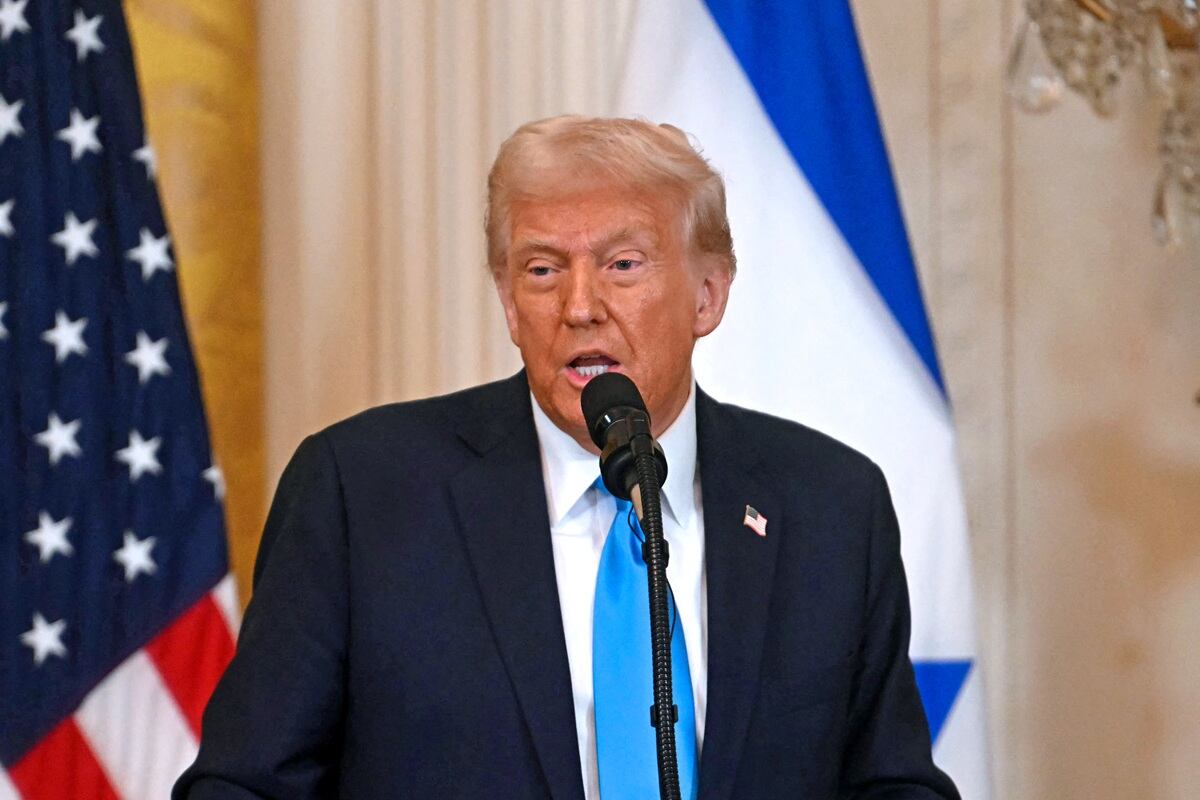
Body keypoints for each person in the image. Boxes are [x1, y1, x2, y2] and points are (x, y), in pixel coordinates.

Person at [174, 116, 959, 799]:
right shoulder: (364, 493)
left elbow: (888, 783)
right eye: (543, 270)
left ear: (708, 296)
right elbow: (245, 786)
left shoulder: (828, 505)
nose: (579, 306)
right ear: (511, 304)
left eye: (622, 265)